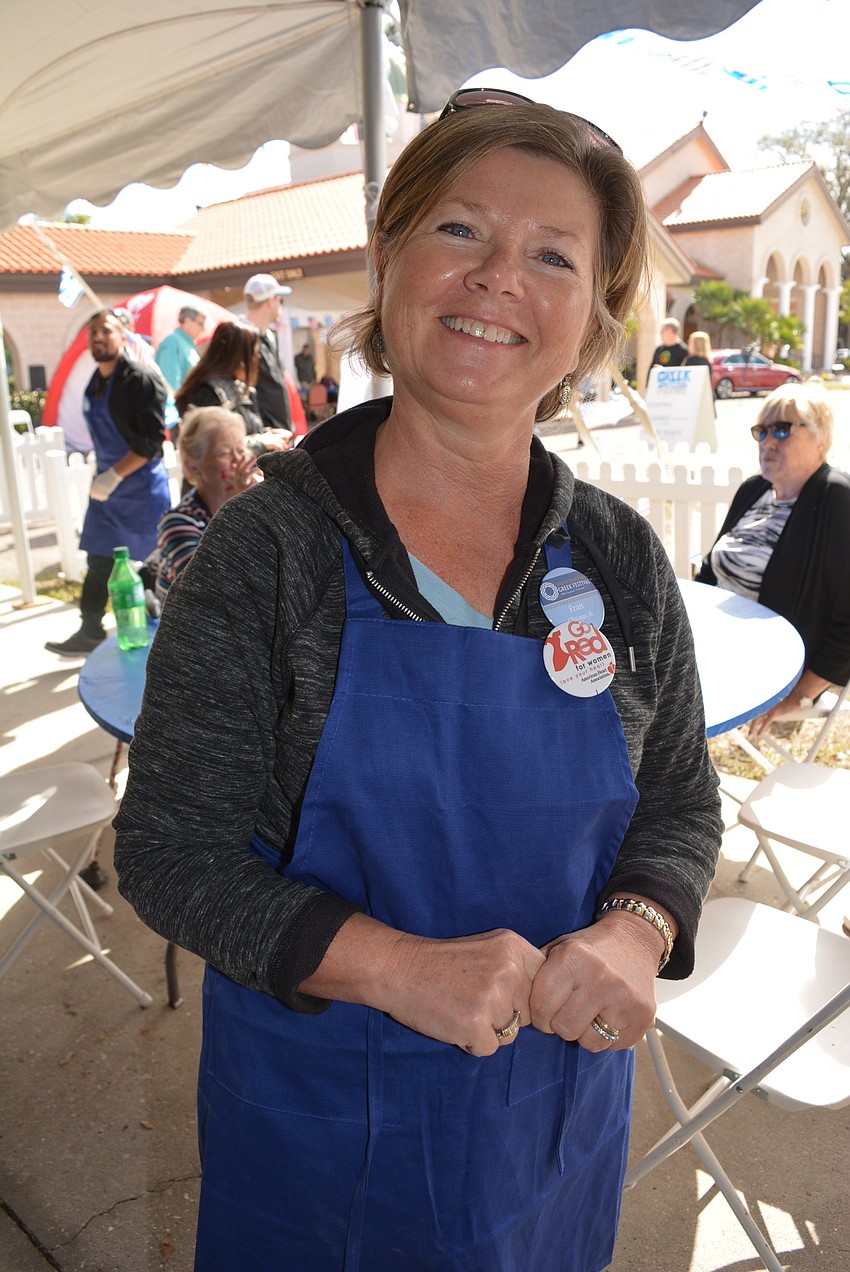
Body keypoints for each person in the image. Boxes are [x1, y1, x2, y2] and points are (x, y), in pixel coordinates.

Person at [115, 89, 721, 1271]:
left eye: (552, 254)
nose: (500, 276)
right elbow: (171, 851)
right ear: (389, 261)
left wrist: (641, 930)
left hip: (550, 1122)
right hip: (322, 1133)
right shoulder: (268, 552)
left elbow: (682, 800)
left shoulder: (616, 556)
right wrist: (395, 969)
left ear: (590, 321)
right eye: (461, 231)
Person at [697, 381, 850, 736]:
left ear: (821, 440)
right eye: (761, 430)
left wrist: (801, 694)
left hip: (770, 665)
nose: (767, 441)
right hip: (715, 646)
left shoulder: (836, 499)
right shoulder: (754, 489)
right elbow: (709, 569)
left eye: (782, 430)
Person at [46, 309, 170, 656]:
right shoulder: (95, 381)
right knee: (100, 559)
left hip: (141, 487)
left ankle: (162, 628)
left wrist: (116, 474)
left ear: (123, 336)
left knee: (150, 562)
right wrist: (105, 475)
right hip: (107, 488)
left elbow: (149, 442)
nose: (97, 337)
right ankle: (89, 630)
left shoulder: (141, 380)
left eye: (106, 331)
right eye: (92, 332)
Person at [155, 406, 258, 604]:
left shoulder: (252, 507)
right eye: (225, 453)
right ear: (193, 467)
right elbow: (211, 595)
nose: (238, 461)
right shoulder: (178, 524)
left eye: (240, 450)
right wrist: (242, 511)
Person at [175, 321, 292, 455]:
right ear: (239, 357)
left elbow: (245, 432)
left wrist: (268, 434)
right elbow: (212, 446)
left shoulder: (242, 388)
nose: (257, 359)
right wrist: (260, 442)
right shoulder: (207, 392)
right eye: (254, 353)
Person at [243, 273, 293, 433]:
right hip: (263, 438)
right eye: (280, 300)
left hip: (279, 434)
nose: (280, 306)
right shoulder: (241, 338)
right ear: (271, 301)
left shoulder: (269, 336)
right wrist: (260, 433)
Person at [155, 306, 207, 391]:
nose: (203, 329)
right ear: (187, 321)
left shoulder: (187, 344)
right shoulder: (172, 343)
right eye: (200, 324)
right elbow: (171, 386)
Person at [684, 329, 716, 414]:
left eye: (690, 342)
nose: (688, 344)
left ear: (696, 345)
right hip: (707, 396)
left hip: (695, 399)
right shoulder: (707, 360)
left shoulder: (691, 361)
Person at [647, 317, 688, 382]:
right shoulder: (659, 349)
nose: (660, 333)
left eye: (662, 330)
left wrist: (663, 371)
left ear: (670, 331)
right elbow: (651, 369)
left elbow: (684, 374)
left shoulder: (684, 350)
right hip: (657, 388)